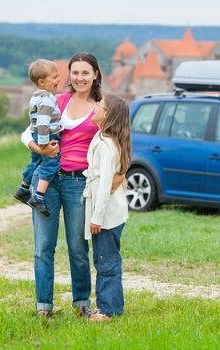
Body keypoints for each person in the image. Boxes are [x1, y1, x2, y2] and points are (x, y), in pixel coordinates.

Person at [21, 53, 123, 318]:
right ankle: (44, 305)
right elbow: (27, 131)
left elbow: (120, 143)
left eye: (85, 73)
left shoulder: (103, 107)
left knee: (78, 247)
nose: (79, 78)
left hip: (80, 182)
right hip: (48, 179)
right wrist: (36, 148)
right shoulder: (56, 100)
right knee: (43, 246)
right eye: (74, 73)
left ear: (96, 75)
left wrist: (120, 174)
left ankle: (81, 302)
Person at [83, 94, 131, 321]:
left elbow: (104, 186)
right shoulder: (102, 138)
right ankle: (112, 306)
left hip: (107, 216)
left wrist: (96, 217)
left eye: (100, 106)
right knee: (106, 259)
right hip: (109, 214)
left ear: (109, 116)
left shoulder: (106, 146)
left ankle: (107, 310)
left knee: (106, 262)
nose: (95, 107)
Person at [14, 59, 62, 217]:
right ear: (42, 82)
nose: (58, 80)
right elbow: (43, 122)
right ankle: (38, 197)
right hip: (46, 136)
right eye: (54, 77)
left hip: (36, 134)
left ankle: (23, 188)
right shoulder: (48, 99)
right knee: (50, 164)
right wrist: (43, 144)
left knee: (35, 162)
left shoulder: (36, 96)